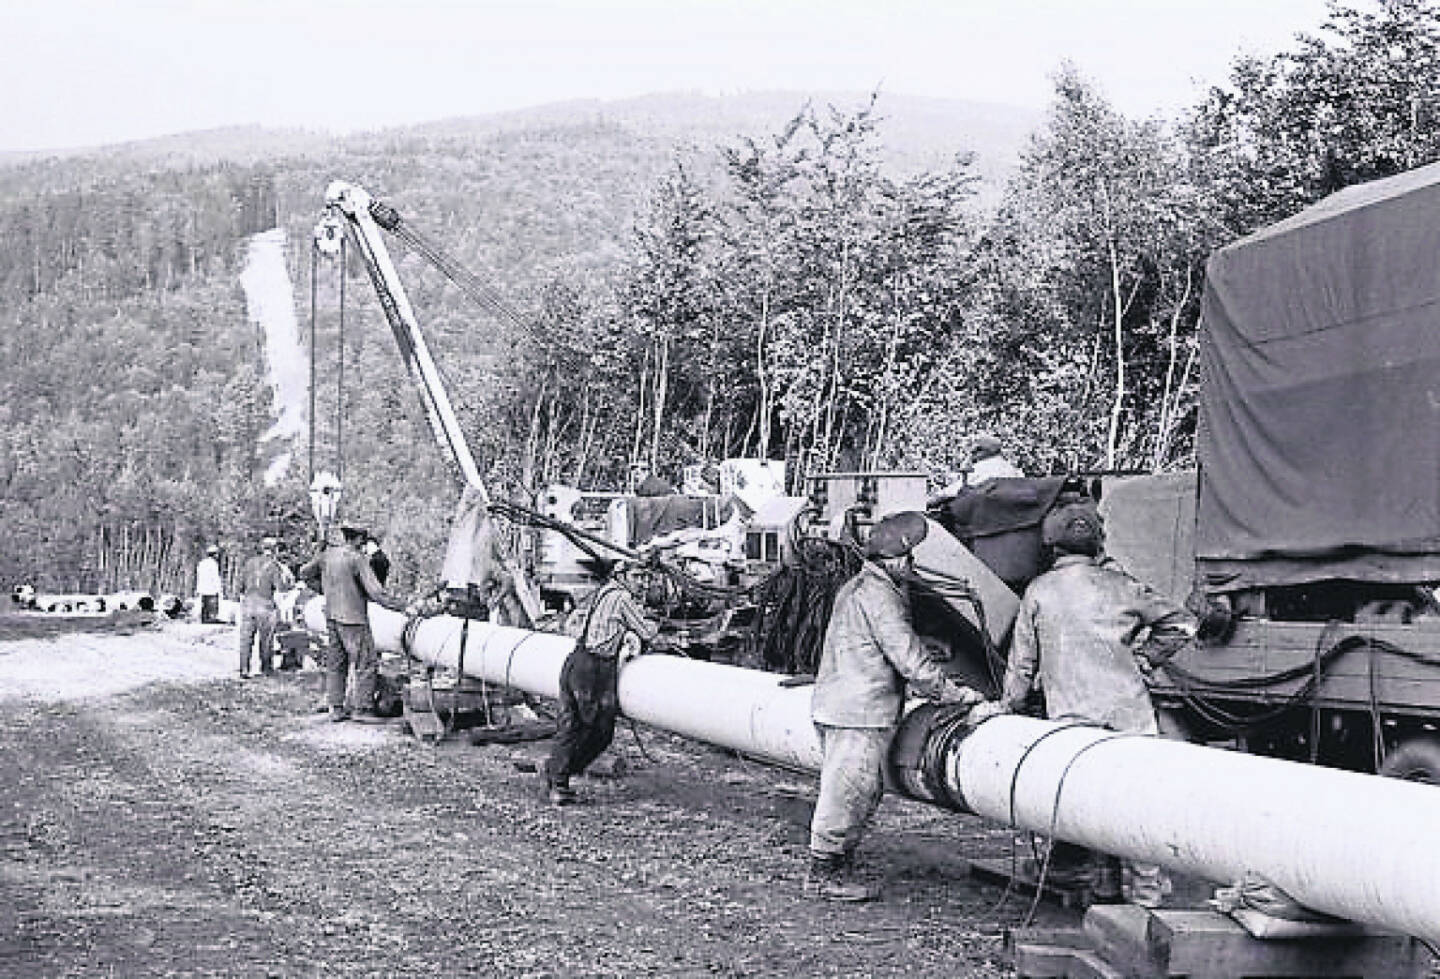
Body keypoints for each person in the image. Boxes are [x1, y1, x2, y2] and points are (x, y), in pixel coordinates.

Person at [972, 500, 1195, 907]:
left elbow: (1022, 666)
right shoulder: (1122, 585)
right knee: (1135, 806)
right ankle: (1144, 900)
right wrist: (1145, 659)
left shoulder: (1039, 592)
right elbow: (1183, 624)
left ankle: (1103, 888)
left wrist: (1007, 707)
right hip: (1131, 718)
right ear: (1097, 542)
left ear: (1051, 545)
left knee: (1090, 806)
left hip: (1074, 727)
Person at [806, 511, 986, 902]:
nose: (914, 567)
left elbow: (880, 641)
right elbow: (908, 660)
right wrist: (955, 694)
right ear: (900, 560)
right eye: (913, 559)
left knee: (860, 789)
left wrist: (926, 645)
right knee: (848, 792)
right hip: (858, 711)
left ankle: (837, 862)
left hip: (841, 701)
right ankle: (823, 872)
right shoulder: (881, 595)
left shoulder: (859, 587)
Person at [541, 559, 659, 806]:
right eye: (638, 577)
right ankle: (558, 779)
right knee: (591, 729)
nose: (643, 583)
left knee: (580, 727)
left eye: (646, 578)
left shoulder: (602, 592)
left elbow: (587, 625)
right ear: (623, 576)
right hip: (593, 669)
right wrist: (655, 624)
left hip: (577, 661)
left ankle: (557, 774)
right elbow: (647, 632)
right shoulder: (622, 598)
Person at [299, 525, 413, 723]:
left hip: (332, 616)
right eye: (363, 539)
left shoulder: (327, 555)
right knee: (365, 662)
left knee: (336, 662)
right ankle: (362, 709)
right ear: (359, 538)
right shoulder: (357, 558)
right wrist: (403, 607)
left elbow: (304, 573)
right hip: (354, 618)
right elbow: (377, 592)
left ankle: (336, 708)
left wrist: (324, 591)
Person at [236, 537, 293, 678]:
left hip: (248, 604)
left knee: (246, 639)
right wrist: (290, 585)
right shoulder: (273, 566)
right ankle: (266, 669)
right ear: (274, 550)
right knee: (266, 640)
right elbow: (280, 588)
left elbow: (239, 586)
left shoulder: (249, 563)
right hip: (265, 605)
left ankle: (244, 669)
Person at [195, 545, 223, 624]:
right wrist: (219, 589)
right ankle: (211, 618)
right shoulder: (213, 564)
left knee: (204, 604)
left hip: (202, 587)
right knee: (211, 604)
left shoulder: (202, 563)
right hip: (211, 588)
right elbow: (215, 577)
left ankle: (204, 618)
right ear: (214, 554)